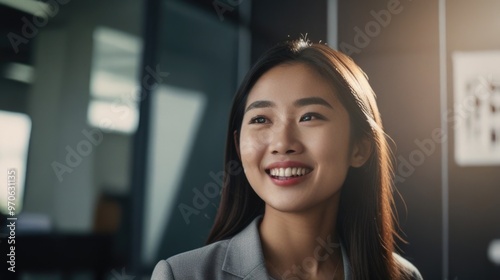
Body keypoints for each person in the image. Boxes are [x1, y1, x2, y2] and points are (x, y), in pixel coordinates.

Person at [152, 38, 423, 280]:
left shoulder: (401, 276)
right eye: (261, 119)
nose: (282, 144)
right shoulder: (182, 275)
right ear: (238, 146)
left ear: (359, 148)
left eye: (309, 117)